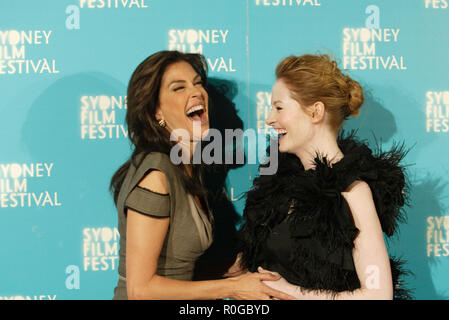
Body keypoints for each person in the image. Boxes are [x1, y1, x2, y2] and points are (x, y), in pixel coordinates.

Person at [110, 50, 294, 300]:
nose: (195, 92)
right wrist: (233, 288)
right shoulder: (156, 173)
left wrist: (229, 272)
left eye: (197, 83)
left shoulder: (186, 166)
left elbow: (176, 271)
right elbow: (140, 290)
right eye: (178, 88)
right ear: (156, 112)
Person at [231, 54, 412, 300]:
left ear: (315, 112)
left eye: (279, 108)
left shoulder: (353, 191)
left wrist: (291, 292)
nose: (269, 119)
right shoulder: (278, 188)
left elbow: (378, 295)